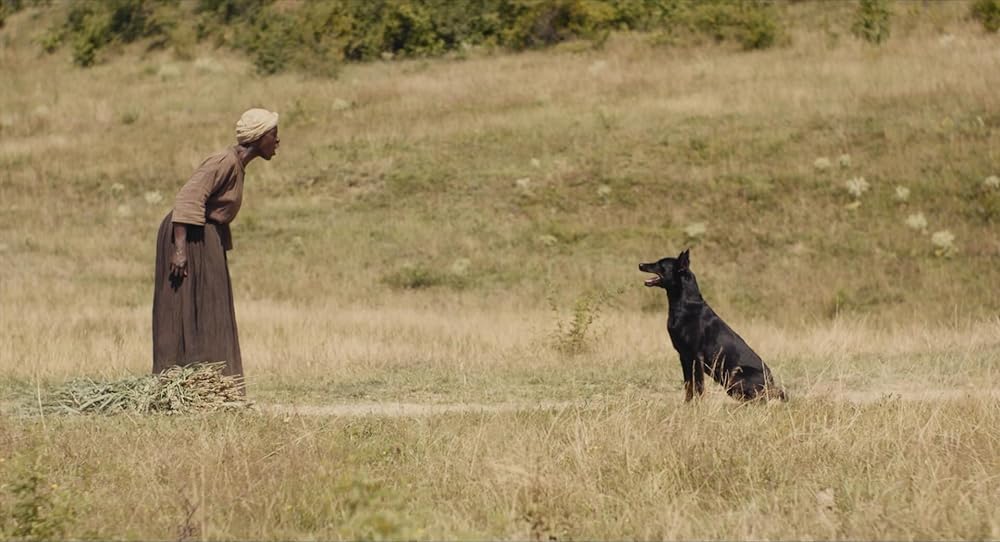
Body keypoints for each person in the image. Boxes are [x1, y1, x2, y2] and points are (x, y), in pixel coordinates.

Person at [152, 108, 280, 383]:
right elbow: (188, 198)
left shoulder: (237, 164)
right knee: (183, 305)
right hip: (186, 235)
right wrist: (180, 250)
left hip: (206, 236)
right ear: (260, 137)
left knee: (212, 305)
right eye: (274, 135)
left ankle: (211, 382)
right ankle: (175, 381)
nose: (277, 142)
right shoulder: (223, 161)